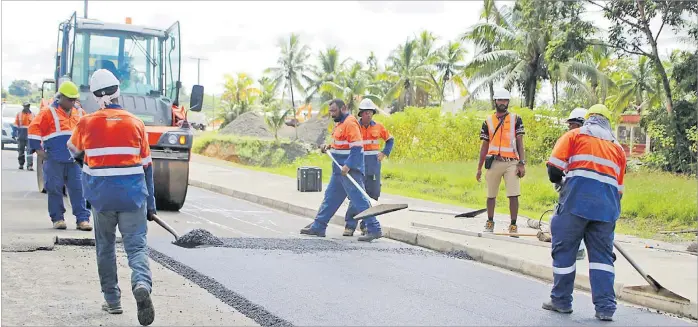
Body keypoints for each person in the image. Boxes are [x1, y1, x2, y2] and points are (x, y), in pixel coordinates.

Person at [67, 69, 156, 325]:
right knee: (136, 247)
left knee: (105, 248)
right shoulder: (136, 123)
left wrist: (86, 162)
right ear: (119, 91)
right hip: (132, 197)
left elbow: (71, 149)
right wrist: (151, 205)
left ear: (95, 96)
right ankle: (141, 283)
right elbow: (147, 168)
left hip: (102, 199)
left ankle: (113, 301)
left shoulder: (86, 123)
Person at [543, 104, 626, 322]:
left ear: (588, 119)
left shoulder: (574, 136)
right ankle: (605, 308)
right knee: (602, 260)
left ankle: (561, 301)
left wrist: (561, 183)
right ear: (608, 122)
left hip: (575, 205)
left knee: (565, 253)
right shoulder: (618, 149)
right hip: (607, 211)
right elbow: (619, 190)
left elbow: (553, 170)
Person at [300, 98, 383, 242]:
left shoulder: (350, 123)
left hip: (349, 170)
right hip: (339, 169)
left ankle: (374, 228)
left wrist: (348, 165)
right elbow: (342, 143)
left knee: (360, 200)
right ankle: (319, 226)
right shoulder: (340, 124)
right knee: (330, 198)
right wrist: (329, 146)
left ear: (343, 108)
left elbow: (357, 147)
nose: (332, 114)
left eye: (334, 111)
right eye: (330, 111)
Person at [27, 81, 92, 231]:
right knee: (54, 189)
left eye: (74, 99)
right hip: (54, 159)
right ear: (60, 97)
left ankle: (82, 219)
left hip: (74, 160)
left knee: (78, 189)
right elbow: (34, 129)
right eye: (69, 99)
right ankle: (58, 219)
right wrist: (38, 150)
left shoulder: (80, 113)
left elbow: (89, 130)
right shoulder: (48, 112)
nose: (72, 102)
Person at [476, 89, 526, 236]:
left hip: (511, 162)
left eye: (505, 100)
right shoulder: (488, 121)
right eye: (500, 100)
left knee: (513, 194)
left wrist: (522, 163)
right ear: (495, 101)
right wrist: (479, 167)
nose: (502, 103)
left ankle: (513, 225)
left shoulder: (516, 119)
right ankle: (490, 222)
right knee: (491, 194)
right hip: (494, 162)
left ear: (508, 102)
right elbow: (484, 145)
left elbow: (520, 142)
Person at [343, 98, 394, 236]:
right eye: (366, 112)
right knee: (358, 194)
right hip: (358, 164)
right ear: (361, 114)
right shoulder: (355, 127)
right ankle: (350, 225)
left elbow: (390, 140)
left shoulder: (379, 127)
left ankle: (365, 225)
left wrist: (384, 153)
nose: (369, 115)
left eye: (371, 112)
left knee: (372, 194)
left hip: (373, 166)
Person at [566, 107, 589, 260]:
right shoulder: (572, 141)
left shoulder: (587, 143)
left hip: (582, 188)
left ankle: (579, 249)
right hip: (572, 186)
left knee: (576, 219)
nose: (569, 128)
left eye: (572, 124)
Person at [14, 102, 36, 171]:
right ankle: (21, 164)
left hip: (30, 136)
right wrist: (14, 134)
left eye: (27, 106)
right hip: (21, 135)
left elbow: (35, 125)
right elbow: (16, 125)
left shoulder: (33, 115)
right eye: (25, 106)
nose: (26, 107)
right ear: (23, 106)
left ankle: (29, 165)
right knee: (21, 150)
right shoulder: (19, 114)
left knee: (29, 151)